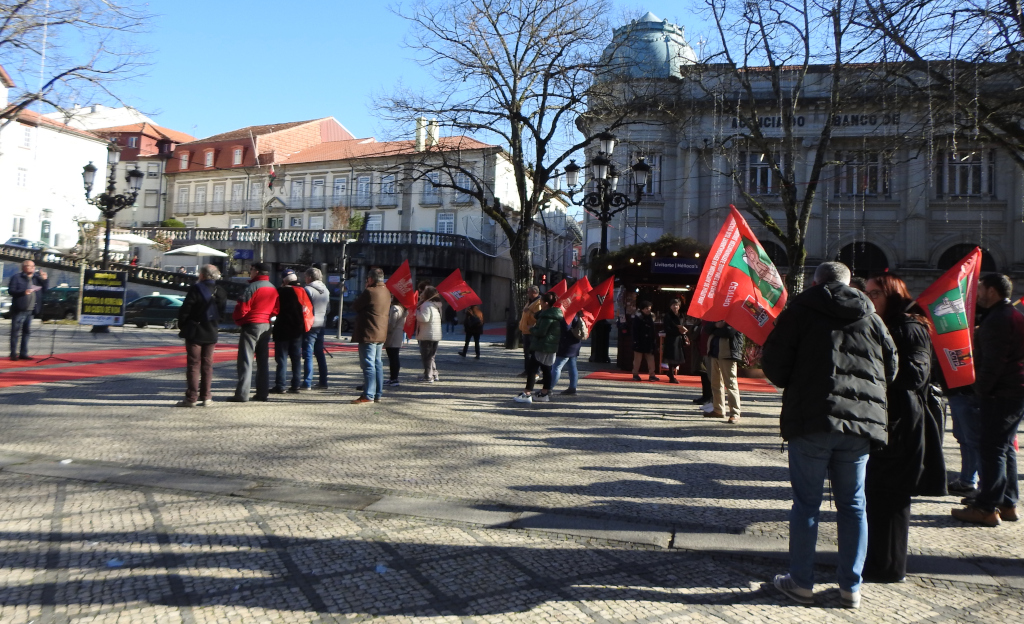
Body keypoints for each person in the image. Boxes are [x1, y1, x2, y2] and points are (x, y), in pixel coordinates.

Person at [762, 261, 897, 609]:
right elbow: (891, 366)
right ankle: (852, 586)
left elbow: (774, 365)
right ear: (850, 284)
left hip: (812, 418)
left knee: (807, 504)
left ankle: (801, 581)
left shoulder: (801, 310)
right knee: (853, 505)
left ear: (816, 282)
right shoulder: (871, 316)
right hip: (860, 424)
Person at [862, 273, 947, 583]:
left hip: (902, 422)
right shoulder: (884, 325)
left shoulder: (909, 327)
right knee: (876, 494)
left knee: (890, 497)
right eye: (868, 292)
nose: (870, 299)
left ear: (893, 296)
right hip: (885, 419)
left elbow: (916, 374)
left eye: (875, 293)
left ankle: (887, 568)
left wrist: (872, 368)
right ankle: (878, 562)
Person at [952, 273, 1024, 526]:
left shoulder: (997, 319)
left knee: (992, 448)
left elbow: (993, 363)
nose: (978, 293)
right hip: (1014, 391)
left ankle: (985, 507)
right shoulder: (1012, 315)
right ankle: (1007, 502)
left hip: (1000, 393)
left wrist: (980, 390)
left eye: (980, 288)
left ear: (992, 291)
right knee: (1004, 448)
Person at [175, 264, 227, 407]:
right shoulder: (221, 291)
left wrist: (183, 325)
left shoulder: (195, 289)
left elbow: (185, 310)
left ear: (202, 275)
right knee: (207, 365)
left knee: (193, 364)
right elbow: (222, 313)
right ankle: (206, 397)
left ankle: (191, 397)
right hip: (211, 331)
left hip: (195, 330)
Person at [229, 262, 279, 402]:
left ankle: (242, 394)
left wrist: (239, 320)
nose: (250, 272)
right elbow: (276, 309)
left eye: (251, 269)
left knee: (245, 360)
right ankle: (262, 393)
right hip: (266, 324)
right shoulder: (273, 288)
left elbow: (242, 308)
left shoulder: (252, 287)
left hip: (252, 324)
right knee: (263, 361)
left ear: (256, 271)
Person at [515, 291, 562, 403]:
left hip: (542, 346)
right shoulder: (553, 314)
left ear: (546, 303)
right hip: (550, 347)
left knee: (532, 369)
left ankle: (527, 393)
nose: (540, 303)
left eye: (541, 301)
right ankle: (544, 393)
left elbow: (541, 332)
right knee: (546, 369)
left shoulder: (547, 317)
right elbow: (538, 316)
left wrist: (532, 328)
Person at [351, 267, 390, 403]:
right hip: (380, 332)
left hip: (369, 332)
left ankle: (368, 394)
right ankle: (377, 393)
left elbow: (356, 306)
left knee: (368, 364)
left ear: (371, 279)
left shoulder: (369, 291)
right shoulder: (386, 291)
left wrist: (366, 288)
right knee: (377, 363)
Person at [271, 271, 310, 395]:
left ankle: (281, 385)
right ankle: (296, 385)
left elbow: (274, 309)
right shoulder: (302, 291)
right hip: (297, 329)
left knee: (281, 358)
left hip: (282, 328)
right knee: (296, 359)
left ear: (285, 280)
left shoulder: (280, 291)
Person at [8, 259, 47, 361]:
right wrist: (23, 292)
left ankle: (23, 353)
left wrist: (44, 280)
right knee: (15, 332)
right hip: (19, 309)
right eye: (31, 266)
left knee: (26, 332)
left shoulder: (36, 278)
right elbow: (11, 291)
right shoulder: (17, 277)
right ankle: (13, 354)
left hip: (31, 310)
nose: (33, 268)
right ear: (24, 267)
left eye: (34, 266)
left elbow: (45, 290)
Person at [708, 321, 744, 423]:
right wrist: (715, 326)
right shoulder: (718, 318)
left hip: (728, 354)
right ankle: (718, 409)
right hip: (715, 353)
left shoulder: (736, 318)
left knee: (731, 384)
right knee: (716, 383)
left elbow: (728, 332)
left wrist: (714, 330)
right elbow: (706, 329)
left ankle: (735, 413)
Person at [302, 267, 330, 390]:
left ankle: (307, 382)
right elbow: (328, 309)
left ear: (309, 277)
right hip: (321, 324)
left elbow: (304, 308)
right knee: (320, 354)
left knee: (308, 354)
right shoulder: (325, 289)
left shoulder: (307, 290)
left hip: (310, 325)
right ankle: (323, 381)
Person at [551, 309, 584, 395]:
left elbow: (566, 327)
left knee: (557, 366)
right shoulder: (578, 312)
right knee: (572, 366)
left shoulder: (569, 314)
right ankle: (572, 387)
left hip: (566, 343)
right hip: (575, 343)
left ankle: (548, 388)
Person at [416, 286, 443, 382]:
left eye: (423, 292)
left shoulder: (426, 305)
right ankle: (434, 373)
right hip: (435, 334)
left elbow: (424, 318)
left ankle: (428, 376)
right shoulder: (437, 305)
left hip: (427, 334)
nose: (421, 294)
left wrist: (416, 312)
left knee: (426, 357)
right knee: (431, 356)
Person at [517, 286, 542, 376]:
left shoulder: (538, 303)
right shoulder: (530, 301)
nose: (528, 293)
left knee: (533, 353)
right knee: (526, 353)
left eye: (529, 292)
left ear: (534, 292)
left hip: (532, 331)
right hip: (526, 331)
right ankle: (527, 370)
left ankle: (535, 371)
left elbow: (538, 316)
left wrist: (529, 312)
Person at [631, 301, 658, 381]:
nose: (648, 310)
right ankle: (635, 374)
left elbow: (653, 330)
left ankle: (652, 375)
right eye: (646, 308)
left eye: (649, 308)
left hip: (649, 341)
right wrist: (635, 341)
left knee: (651, 359)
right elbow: (634, 331)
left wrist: (653, 341)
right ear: (642, 309)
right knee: (637, 360)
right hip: (640, 341)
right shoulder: (637, 318)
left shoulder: (651, 317)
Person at [663, 298, 688, 384]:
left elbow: (683, 325)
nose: (675, 307)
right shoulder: (668, 316)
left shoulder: (681, 315)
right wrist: (678, 331)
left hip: (679, 338)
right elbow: (667, 328)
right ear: (670, 306)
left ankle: (670, 372)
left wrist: (683, 331)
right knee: (672, 357)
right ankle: (671, 375)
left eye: (677, 305)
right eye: (674, 305)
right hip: (671, 339)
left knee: (680, 358)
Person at [384, 297, 407, 386]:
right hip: (398, 334)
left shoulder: (395, 308)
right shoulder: (403, 309)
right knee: (394, 357)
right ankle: (394, 378)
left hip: (393, 335)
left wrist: (387, 331)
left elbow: (391, 323)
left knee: (392, 357)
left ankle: (393, 378)